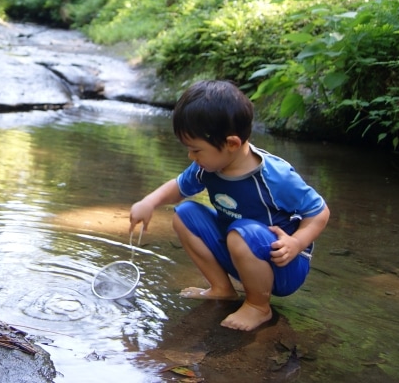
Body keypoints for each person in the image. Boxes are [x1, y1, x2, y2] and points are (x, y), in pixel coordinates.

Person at [129, 80, 330, 331]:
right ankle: (222, 289)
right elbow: (179, 188)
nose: (191, 157)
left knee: (240, 234)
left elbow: (319, 211)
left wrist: (296, 242)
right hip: (238, 246)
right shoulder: (208, 167)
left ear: (232, 144)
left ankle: (258, 306)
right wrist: (149, 202)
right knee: (185, 215)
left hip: (283, 262)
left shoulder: (275, 176)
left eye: (196, 150)